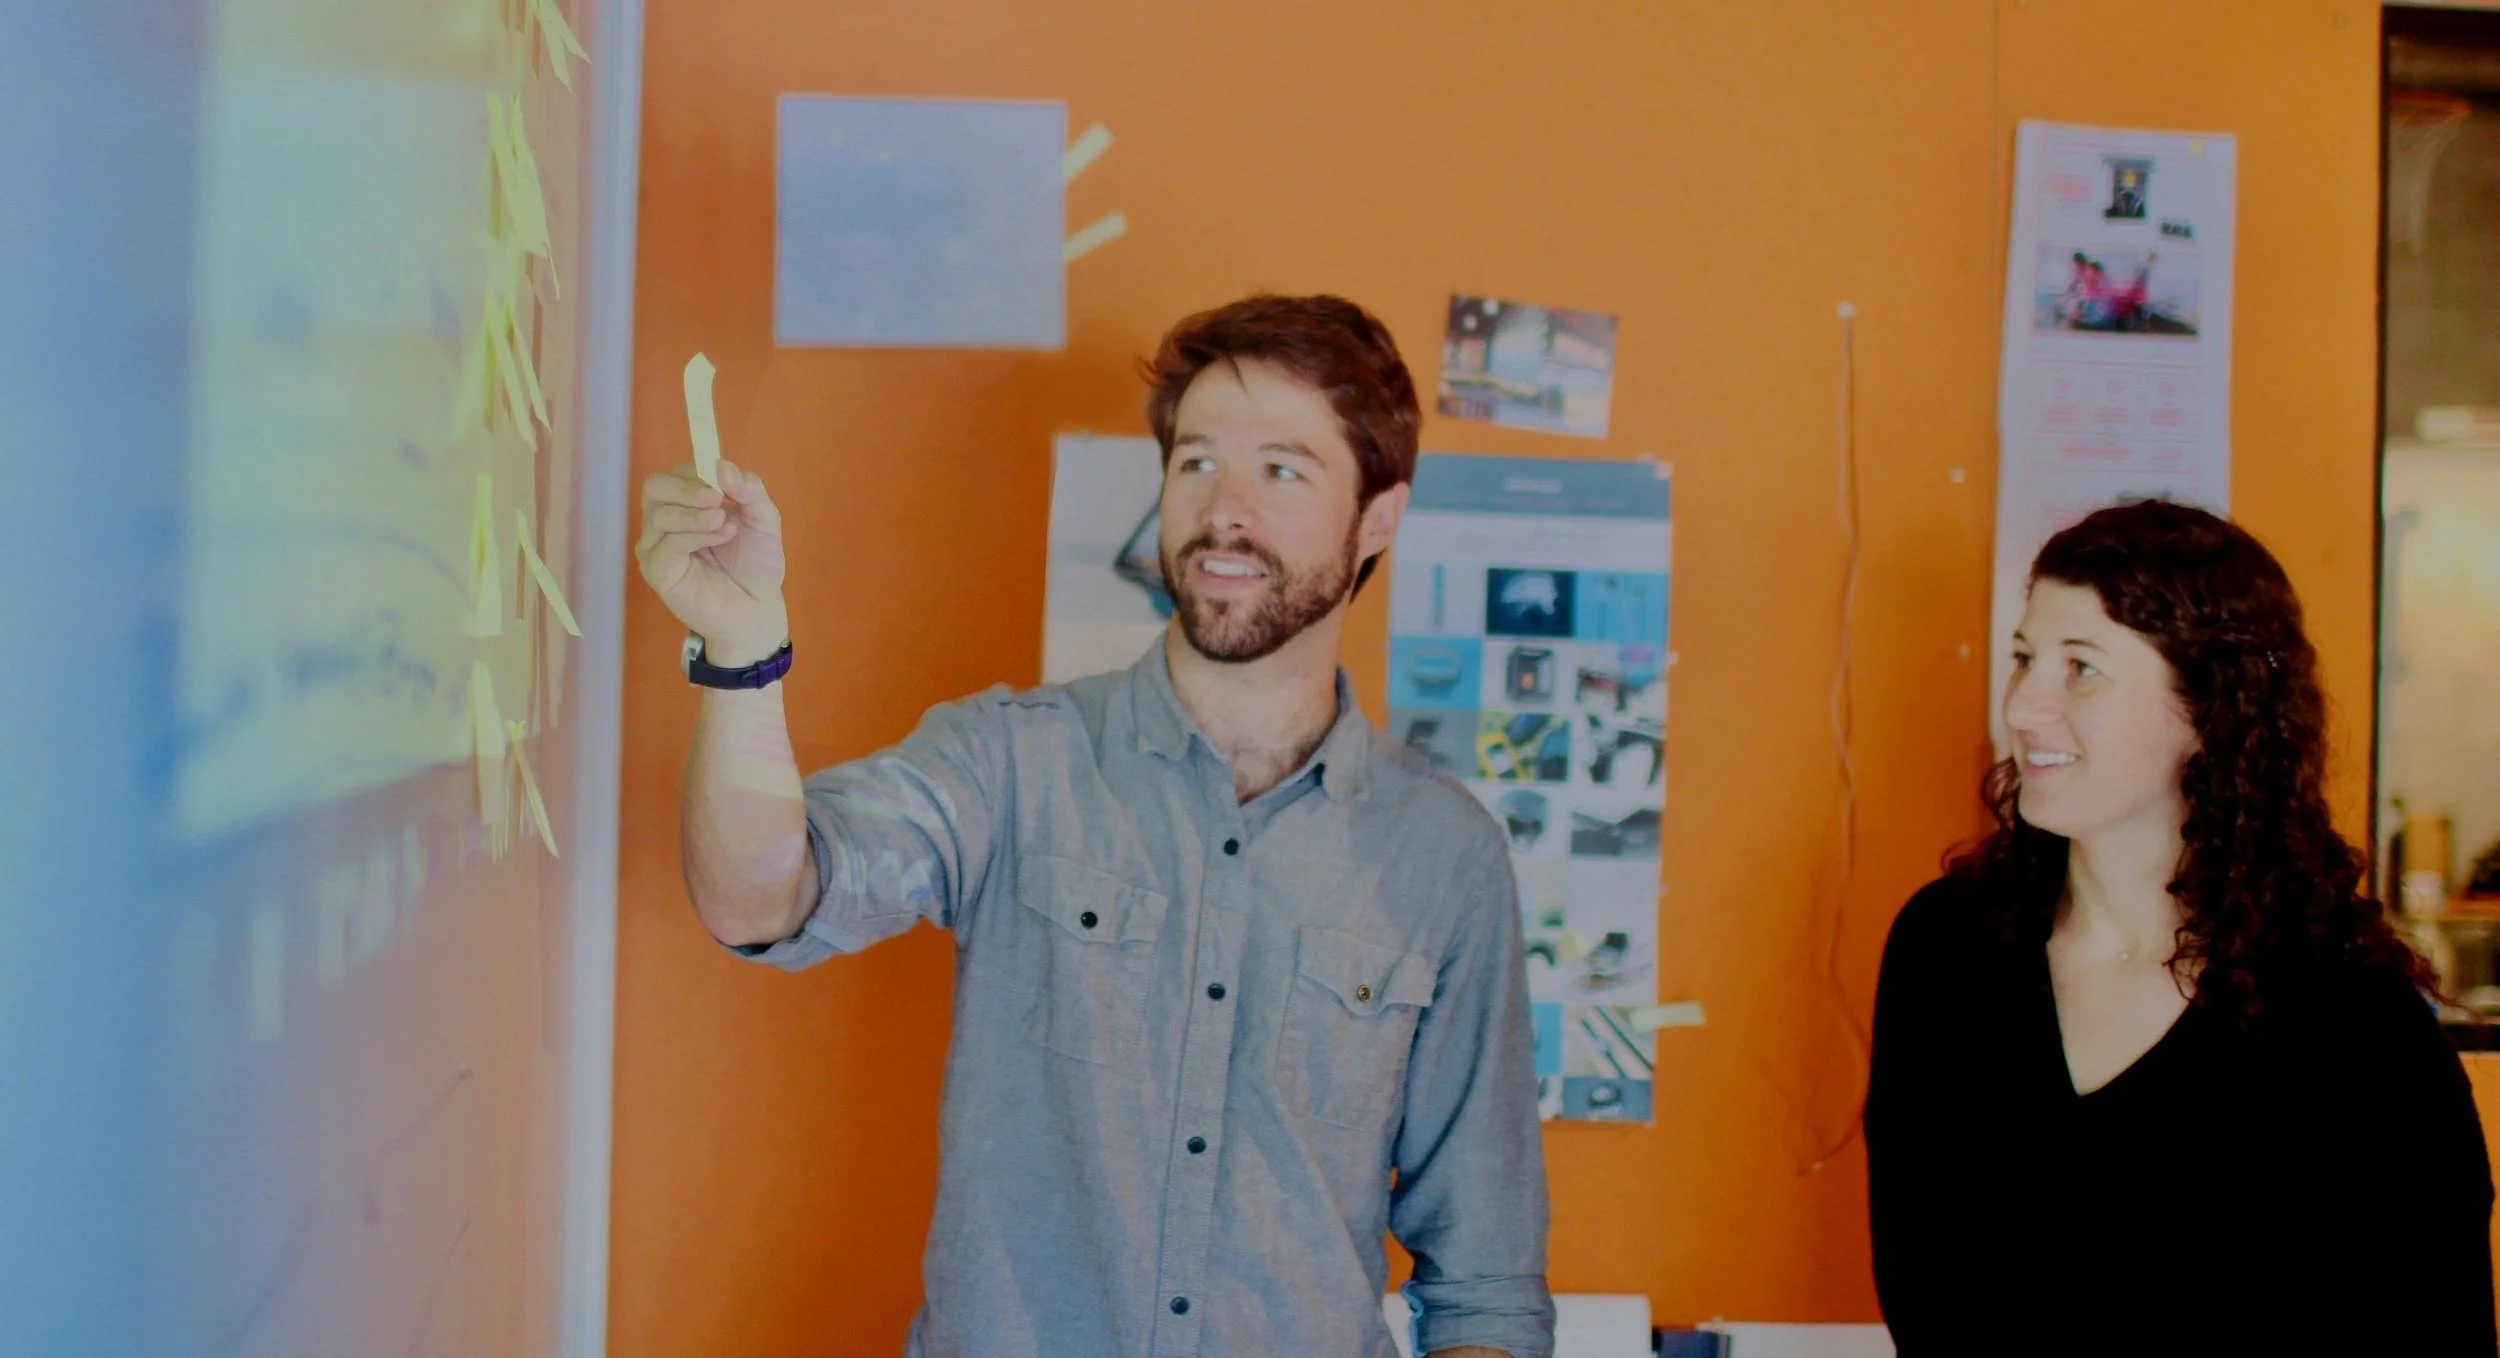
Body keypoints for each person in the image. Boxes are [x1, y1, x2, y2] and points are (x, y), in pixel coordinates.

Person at [635, 295, 1555, 1358]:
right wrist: (744, 652)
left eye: (1283, 470)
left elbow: (1485, 1281)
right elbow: (761, 893)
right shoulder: (1012, 761)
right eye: (1197, 460)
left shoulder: (1444, 857)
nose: (1224, 511)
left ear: (1378, 517)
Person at [1864, 500, 2495, 1355]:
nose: (2023, 707)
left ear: (2209, 706)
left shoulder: (2351, 1019)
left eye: (2081, 668)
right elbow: (1925, 1292)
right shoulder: (1947, 948)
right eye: (2024, 660)